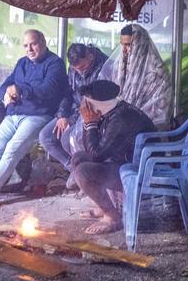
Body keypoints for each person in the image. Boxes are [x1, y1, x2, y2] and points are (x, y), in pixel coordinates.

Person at [0, 29, 68, 204]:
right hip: (14, 113)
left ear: (43, 42)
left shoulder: (55, 63)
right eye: (26, 45)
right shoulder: (22, 63)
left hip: (38, 115)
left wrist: (20, 90)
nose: (30, 49)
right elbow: (6, 84)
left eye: (33, 44)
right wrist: (6, 93)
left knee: (12, 149)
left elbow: (47, 90)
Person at [71, 80, 155, 235]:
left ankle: (112, 216)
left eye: (87, 101)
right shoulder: (111, 111)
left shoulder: (121, 118)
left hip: (138, 170)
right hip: (123, 162)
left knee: (83, 172)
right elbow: (90, 150)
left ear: (98, 103)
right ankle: (104, 206)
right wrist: (88, 123)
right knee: (78, 158)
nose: (84, 105)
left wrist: (90, 124)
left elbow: (96, 155)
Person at [38, 42, 108, 189]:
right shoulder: (74, 68)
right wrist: (62, 115)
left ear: (90, 56)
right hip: (72, 111)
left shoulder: (105, 66)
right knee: (45, 137)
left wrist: (72, 120)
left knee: (67, 138)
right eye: (76, 69)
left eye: (82, 67)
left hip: (92, 112)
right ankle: (75, 170)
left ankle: (88, 174)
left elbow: (96, 101)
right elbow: (68, 93)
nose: (79, 72)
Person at [100, 24, 172, 126]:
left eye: (128, 45)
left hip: (146, 128)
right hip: (119, 123)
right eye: (122, 44)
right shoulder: (120, 67)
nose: (124, 50)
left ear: (140, 44)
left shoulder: (157, 72)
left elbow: (160, 111)